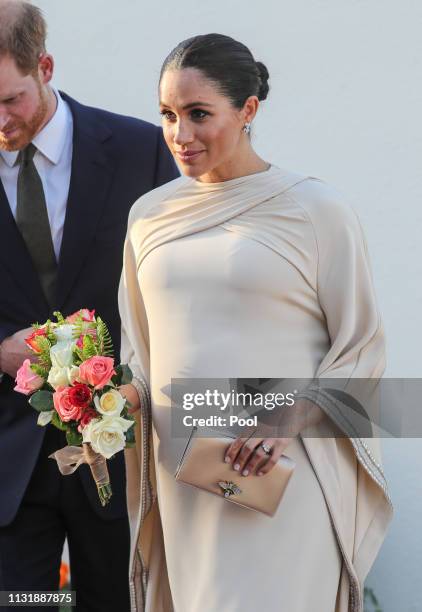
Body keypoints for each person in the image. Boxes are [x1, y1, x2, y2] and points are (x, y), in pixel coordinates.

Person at [118, 34, 393, 612]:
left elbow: (361, 348)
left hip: (284, 474)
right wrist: (111, 402)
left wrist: (287, 418)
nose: (180, 135)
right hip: (185, 480)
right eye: (167, 115)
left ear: (248, 110)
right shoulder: (148, 217)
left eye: (199, 114)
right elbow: (142, 356)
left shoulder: (316, 209)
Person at [0, 2, 178, 610]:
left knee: (114, 602)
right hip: (8, 465)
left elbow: (179, 291)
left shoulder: (144, 151)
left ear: (45, 66)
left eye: (9, 100)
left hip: (119, 456)